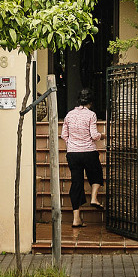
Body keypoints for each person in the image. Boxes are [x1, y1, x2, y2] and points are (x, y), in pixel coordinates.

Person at [60, 87, 103, 227]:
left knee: (76, 183)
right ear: (90, 102)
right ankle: (94, 198)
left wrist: (71, 145)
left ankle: (76, 219)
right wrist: (102, 136)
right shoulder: (91, 115)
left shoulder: (69, 115)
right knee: (96, 173)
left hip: (73, 153)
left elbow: (63, 135)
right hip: (89, 152)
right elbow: (94, 135)